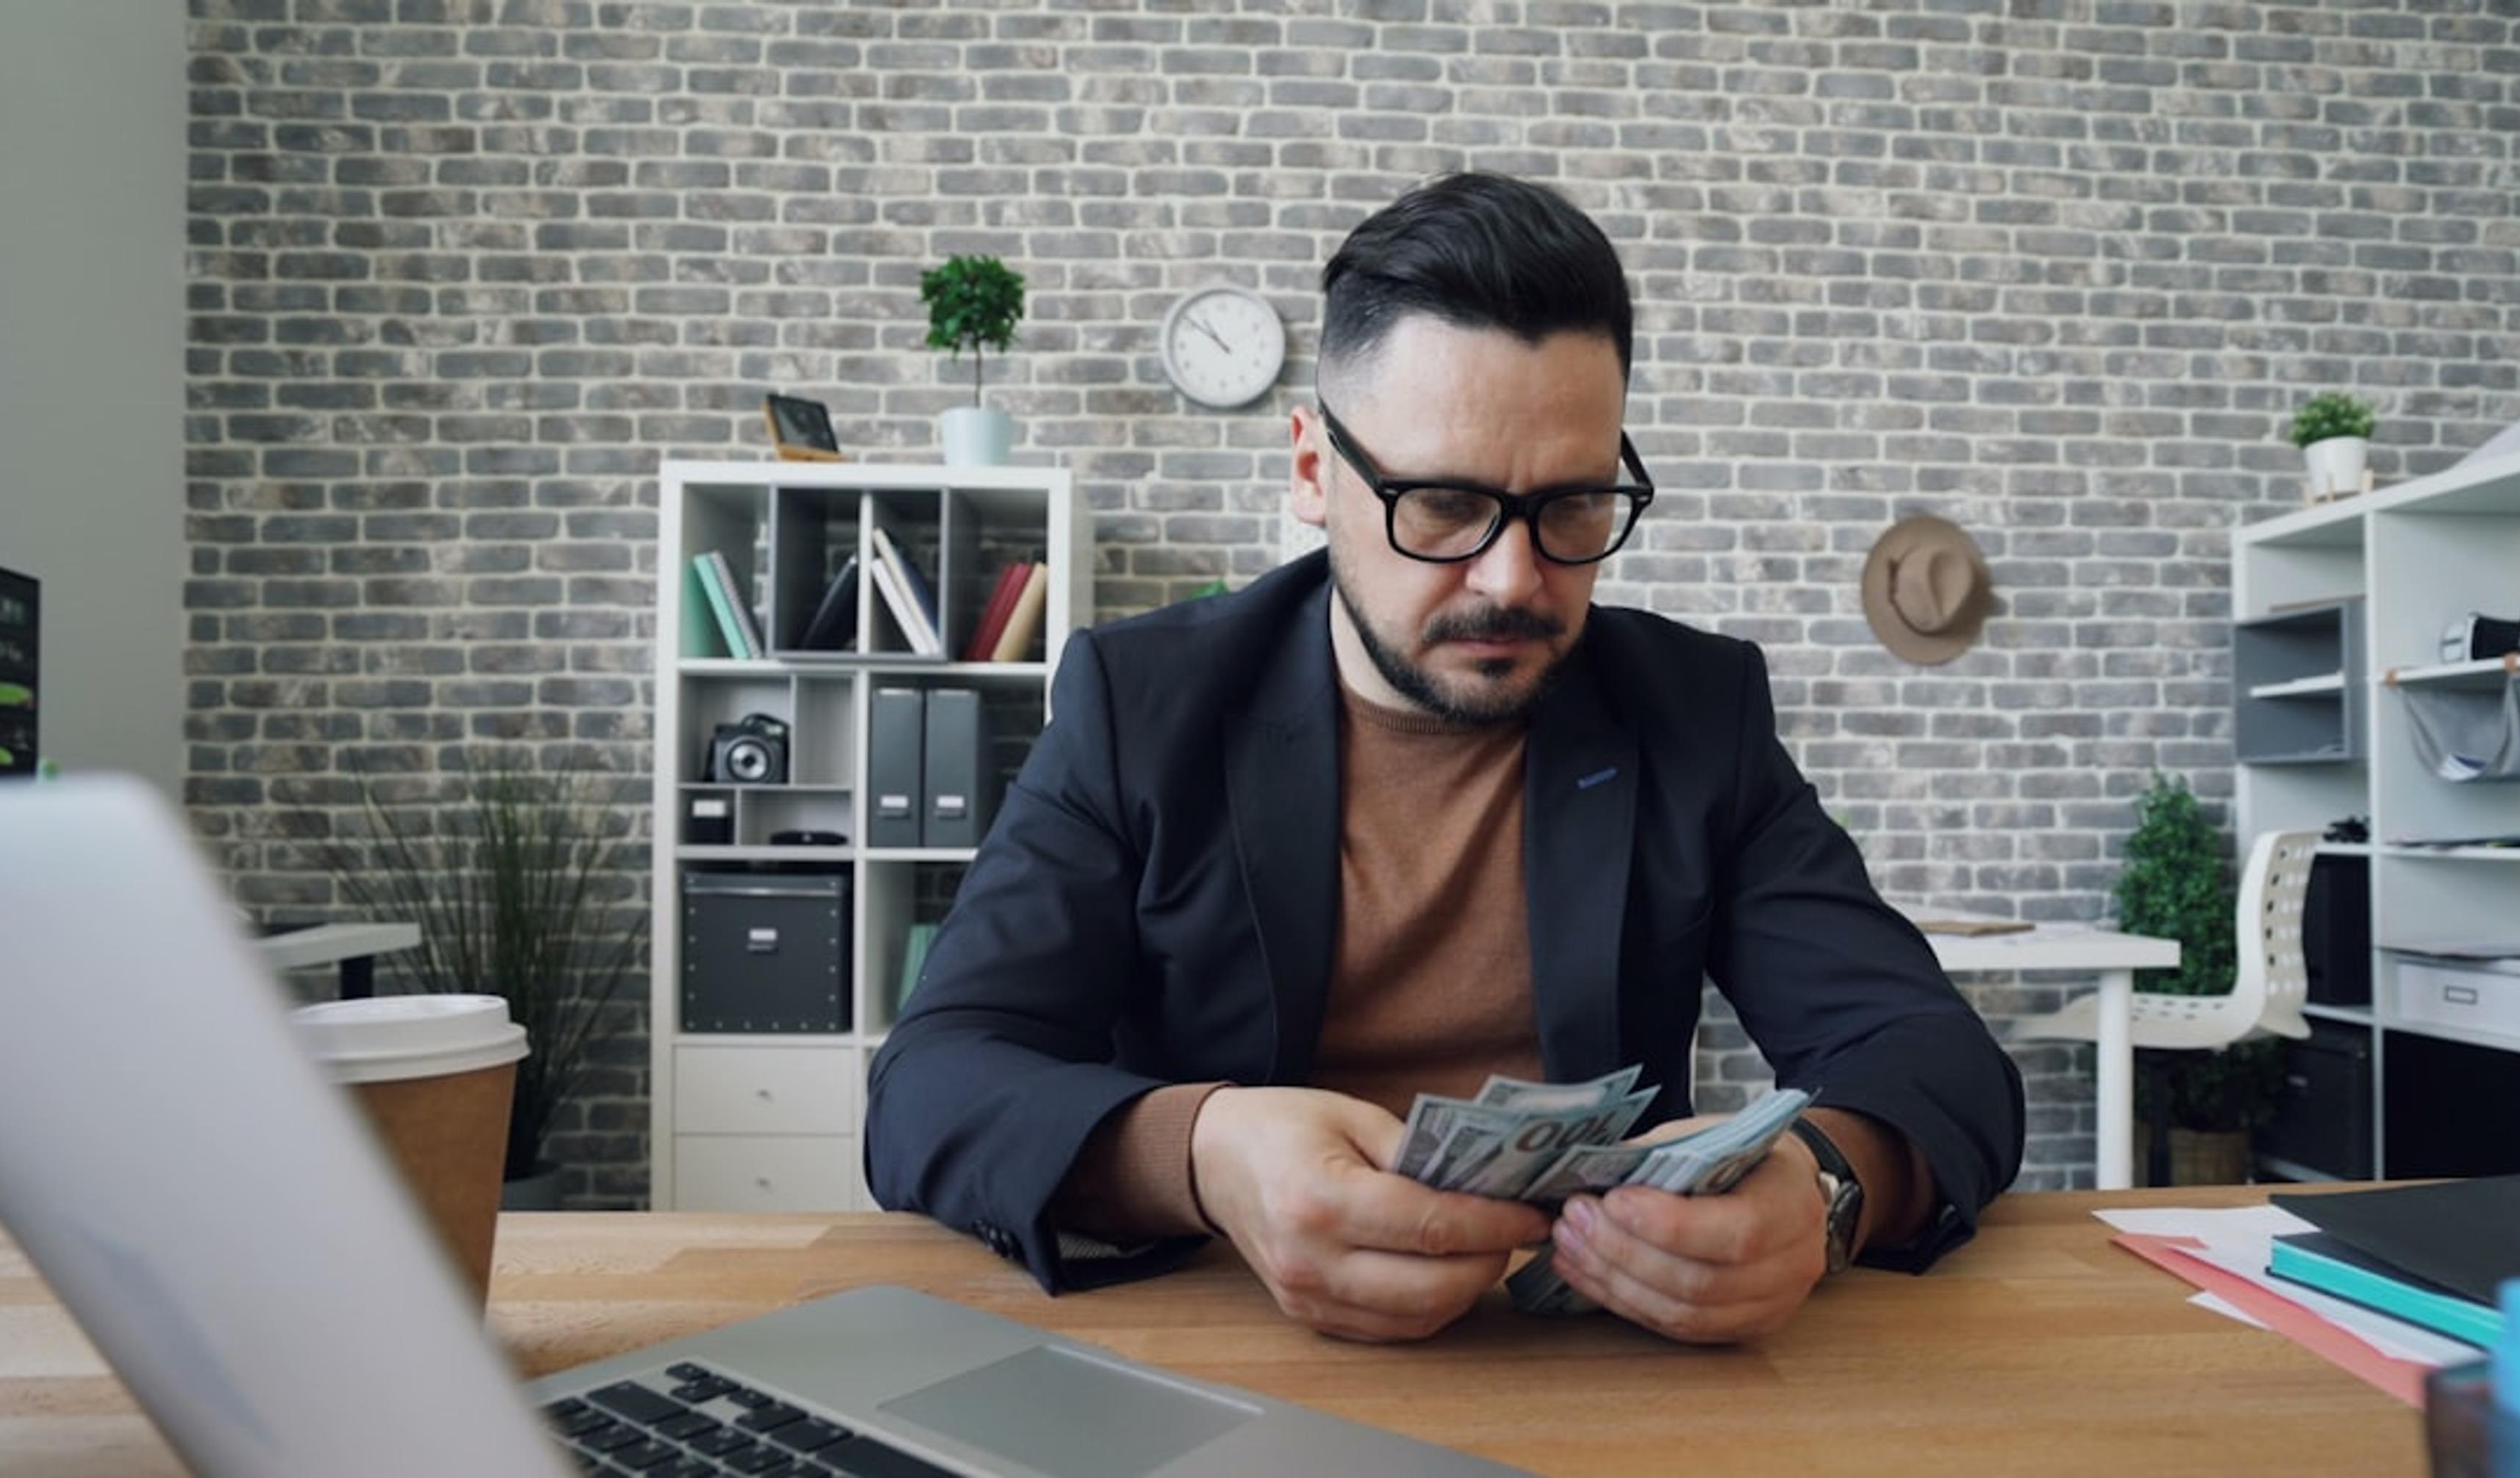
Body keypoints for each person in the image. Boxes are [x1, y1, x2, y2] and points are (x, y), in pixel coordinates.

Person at [867, 172, 2023, 1346]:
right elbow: (930, 1086)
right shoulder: (1143, 703)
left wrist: (1828, 1182)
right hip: (1221, 1353)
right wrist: (1205, 1152)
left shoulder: (1693, 712)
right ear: (1315, 471)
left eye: (1573, 506)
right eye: (1441, 505)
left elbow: (1933, 1053)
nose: (1514, 578)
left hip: (1602, 1368)